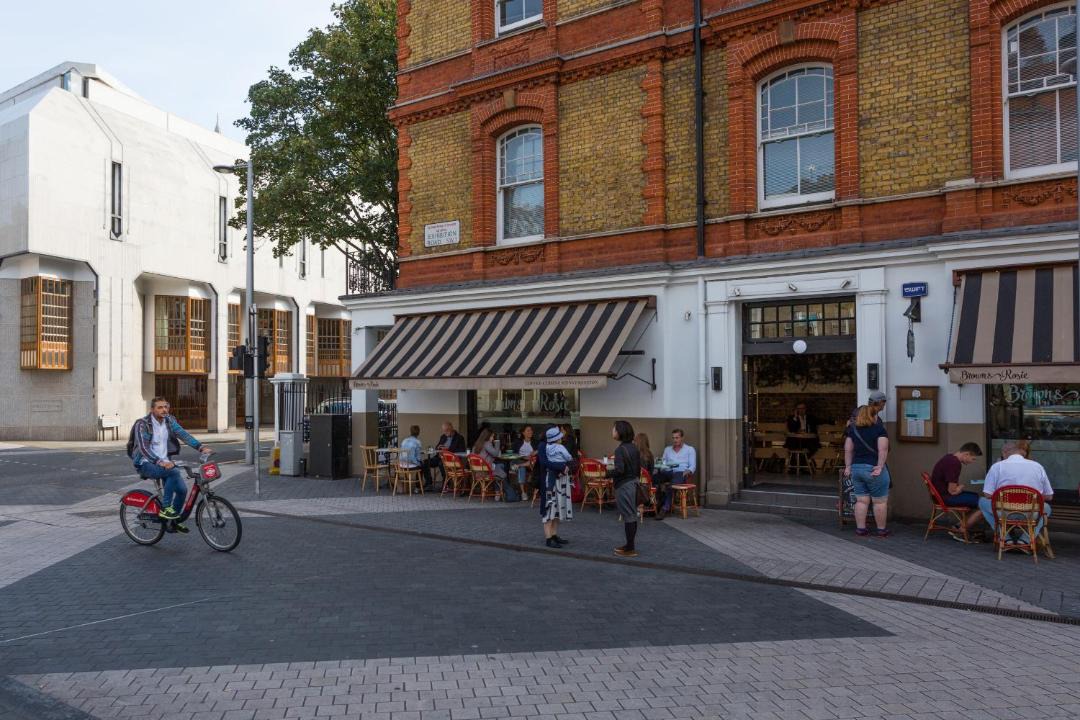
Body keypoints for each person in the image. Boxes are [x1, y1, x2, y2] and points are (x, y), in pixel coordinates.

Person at [129, 396, 213, 534]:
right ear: (152, 409)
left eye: (166, 407)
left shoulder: (169, 420)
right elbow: (143, 448)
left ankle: (172, 522)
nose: (164, 410)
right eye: (160, 407)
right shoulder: (143, 424)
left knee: (182, 491)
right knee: (173, 471)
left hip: (165, 463)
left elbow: (183, 434)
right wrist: (159, 461)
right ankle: (166, 509)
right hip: (146, 463)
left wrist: (200, 447)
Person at [979, 442, 1053, 548]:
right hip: (1031, 513)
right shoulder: (1037, 466)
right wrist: (1031, 497)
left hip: (1003, 512)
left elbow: (987, 494)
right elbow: (1049, 496)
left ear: (1005, 452)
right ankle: (1026, 539)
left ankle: (1005, 537)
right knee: (1047, 509)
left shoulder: (997, 466)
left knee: (982, 502)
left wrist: (1002, 495)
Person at [843, 404, 890, 538]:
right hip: (873, 468)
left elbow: (848, 449)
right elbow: (883, 449)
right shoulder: (879, 430)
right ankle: (881, 530)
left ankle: (861, 529)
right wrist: (880, 466)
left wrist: (848, 466)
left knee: (861, 501)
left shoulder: (853, 430)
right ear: (872, 416)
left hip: (856, 468)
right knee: (879, 501)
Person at [929, 442, 984, 541]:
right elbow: (952, 491)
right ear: (966, 454)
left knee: (976, 498)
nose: (972, 461)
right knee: (985, 506)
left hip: (940, 495)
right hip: (946, 497)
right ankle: (961, 531)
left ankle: (958, 527)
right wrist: (961, 487)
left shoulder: (949, 457)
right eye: (973, 459)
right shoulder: (954, 463)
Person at [607, 421, 642, 558]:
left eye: (614, 429)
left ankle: (630, 548)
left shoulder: (620, 450)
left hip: (624, 486)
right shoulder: (634, 447)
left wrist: (607, 473)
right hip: (633, 483)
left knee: (629, 516)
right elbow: (638, 468)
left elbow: (620, 470)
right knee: (631, 515)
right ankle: (629, 545)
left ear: (620, 432)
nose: (612, 431)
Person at [541, 426, 574, 548]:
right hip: (560, 480)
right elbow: (569, 457)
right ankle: (549, 538)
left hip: (552, 478)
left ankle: (553, 535)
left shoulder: (547, 447)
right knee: (553, 508)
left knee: (554, 508)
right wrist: (563, 465)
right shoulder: (560, 447)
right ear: (558, 439)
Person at [654, 429, 696, 519]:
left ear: (682, 438)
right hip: (668, 472)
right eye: (673, 438)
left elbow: (692, 466)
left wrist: (687, 471)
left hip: (681, 473)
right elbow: (662, 463)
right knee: (654, 478)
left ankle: (664, 508)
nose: (675, 440)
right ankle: (654, 503)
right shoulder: (667, 449)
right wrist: (660, 465)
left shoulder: (689, 449)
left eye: (677, 437)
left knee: (671, 485)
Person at [424, 421, 466, 489]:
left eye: (447, 430)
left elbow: (462, 450)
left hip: (451, 459)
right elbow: (437, 447)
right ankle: (429, 483)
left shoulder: (459, 438)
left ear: (451, 429)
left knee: (441, 464)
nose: (445, 432)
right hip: (440, 457)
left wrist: (448, 449)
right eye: (444, 431)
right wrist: (439, 447)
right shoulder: (443, 436)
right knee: (425, 462)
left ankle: (446, 484)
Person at [513, 425, 536, 491]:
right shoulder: (518, 442)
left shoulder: (535, 442)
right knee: (521, 468)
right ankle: (523, 492)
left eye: (531, 430)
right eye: (528, 430)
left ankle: (530, 477)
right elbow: (514, 454)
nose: (530, 432)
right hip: (520, 460)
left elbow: (541, 449)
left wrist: (536, 451)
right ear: (523, 433)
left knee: (534, 462)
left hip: (531, 463)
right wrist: (524, 457)